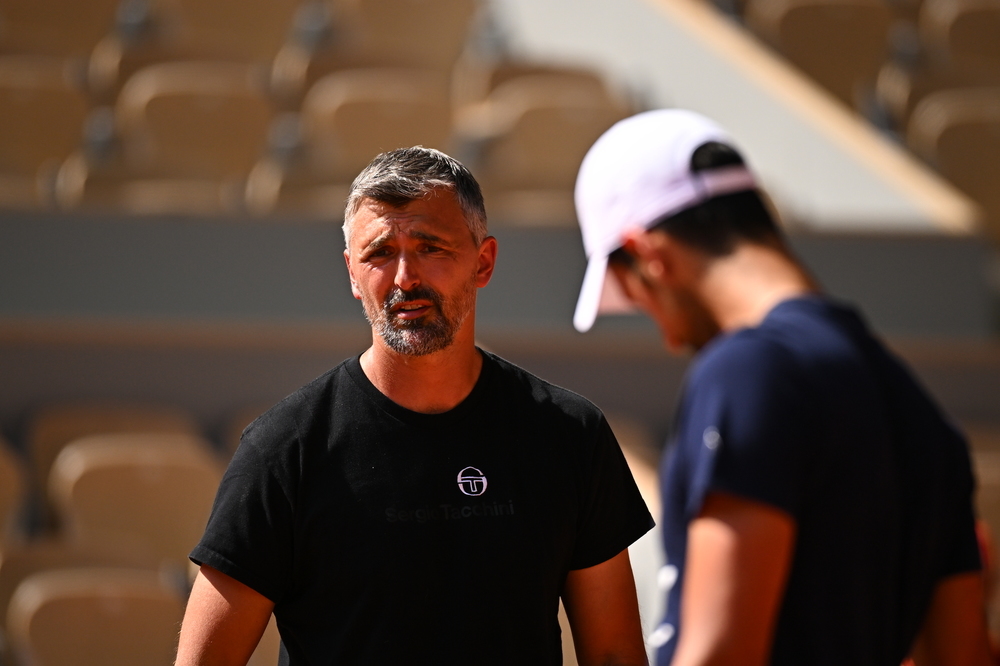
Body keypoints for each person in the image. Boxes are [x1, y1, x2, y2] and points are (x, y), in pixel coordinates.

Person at [175, 147, 654, 666]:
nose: (404, 278)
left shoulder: (570, 435)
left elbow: (613, 652)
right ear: (352, 276)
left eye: (431, 247)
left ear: (484, 262)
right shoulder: (283, 449)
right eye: (379, 253)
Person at [571, 109, 993, 666]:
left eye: (635, 296)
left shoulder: (748, 372)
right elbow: (960, 655)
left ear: (648, 256)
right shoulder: (914, 404)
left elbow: (723, 652)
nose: (668, 338)